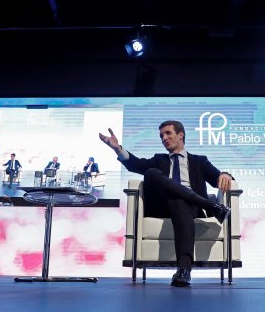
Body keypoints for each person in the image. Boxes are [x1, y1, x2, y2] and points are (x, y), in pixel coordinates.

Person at [99, 120, 232, 287]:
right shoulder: (158, 159)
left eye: (168, 133)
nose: (164, 138)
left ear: (181, 135)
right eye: (161, 136)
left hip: (189, 209)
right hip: (160, 207)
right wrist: (117, 148)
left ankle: (184, 270)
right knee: (151, 173)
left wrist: (226, 174)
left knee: (179, 201)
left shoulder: (199, 161)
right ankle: (211, 206)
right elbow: (135, 165)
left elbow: (218, 178)